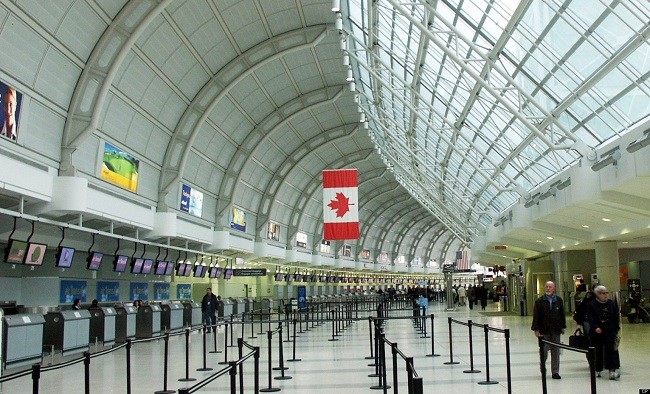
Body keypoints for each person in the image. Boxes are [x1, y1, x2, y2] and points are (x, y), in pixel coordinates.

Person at [531, 281, 566, 380]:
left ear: (554, 288)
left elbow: (562, 314)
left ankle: (555, 371)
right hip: (544, 330)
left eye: (550, 287)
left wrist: (562, 326)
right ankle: (543, 367)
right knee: (544, 350)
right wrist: (536, 328)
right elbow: (536, 316)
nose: (548, 288)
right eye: (546, 287)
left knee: (555, 351)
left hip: (555, 329)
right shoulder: (539, 301)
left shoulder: (558, 300)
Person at [587, 285, 620, 380]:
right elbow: (590, 317)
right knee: (598, 350)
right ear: (598, 294)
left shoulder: (611, 303)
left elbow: (615, 316)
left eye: (607, 293)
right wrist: (595, 327)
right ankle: (598, 369)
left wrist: (616, 329)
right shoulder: (592, 304)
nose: (606, 295)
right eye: (603, 293)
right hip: (597, 332)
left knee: (611, 350)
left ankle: (612, 370)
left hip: (609, 330)